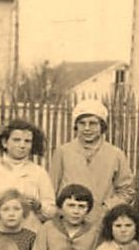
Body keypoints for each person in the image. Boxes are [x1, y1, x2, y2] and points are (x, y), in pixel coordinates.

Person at [48, 97, 133, 232]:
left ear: (102, 126)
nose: (87, 128)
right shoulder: (63, 152)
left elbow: (126, 191)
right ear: (76, 126)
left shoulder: (115, 154)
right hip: (67, 224)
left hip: (101, 223)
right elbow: (51, 190)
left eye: (93, 123)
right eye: (82, 123)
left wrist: (106, 208)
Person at [0, 118, 55, 234]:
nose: (22, 145)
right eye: (16, 140)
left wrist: (38, 206)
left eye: (27, 141)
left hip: (29, 241)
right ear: (4, 142)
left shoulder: (39, 173)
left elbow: (52, 212)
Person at [29, 184, 100, 250]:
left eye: (81, 206)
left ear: (88, 210)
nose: (76, 211)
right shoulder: (48, 228)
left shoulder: (93, 232)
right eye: (71, 205)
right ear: (60, 208)